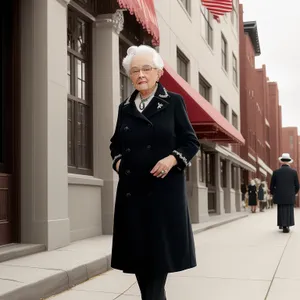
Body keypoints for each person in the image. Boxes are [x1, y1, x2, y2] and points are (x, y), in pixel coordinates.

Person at [109, 45, 200, 300]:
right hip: (132, 195)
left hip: (163, 196)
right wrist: (118, 162)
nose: (141, 75)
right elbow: (115, 143)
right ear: (130, 75)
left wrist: (172, 159)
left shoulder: (173, 102)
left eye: (146, 69)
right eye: (135, 70)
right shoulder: (124, 108)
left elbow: (191, 142)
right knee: (140, 264)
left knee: (157, 266)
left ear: (159, 72)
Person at [270, 153, 300, 233]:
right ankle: (287, 225)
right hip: (290, 195)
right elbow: (297, 185)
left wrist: (274, 194)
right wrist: (294, 193)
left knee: (281, 210)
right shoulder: (294, 172)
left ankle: (283, 225)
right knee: (289, 211)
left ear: (281, 161)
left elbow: (272, 186)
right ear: (289, 162)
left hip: (280, 195)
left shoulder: (276, 172)